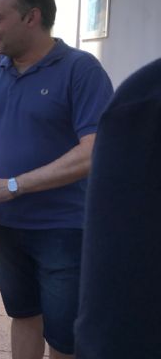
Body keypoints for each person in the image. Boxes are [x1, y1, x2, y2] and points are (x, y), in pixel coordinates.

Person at [0, 0, 113, 359]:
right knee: (23, 316)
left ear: (31, 17)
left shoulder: (80, 70)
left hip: (64, 230)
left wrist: (15, 185)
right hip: (5, 228)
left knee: (63, 338)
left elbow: (95, 151)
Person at [75, 58, 161, 358]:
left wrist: (14, 185)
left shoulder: (143, 100)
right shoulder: (144, 99)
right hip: (11, 221)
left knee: (59, 329)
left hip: (62, 224)